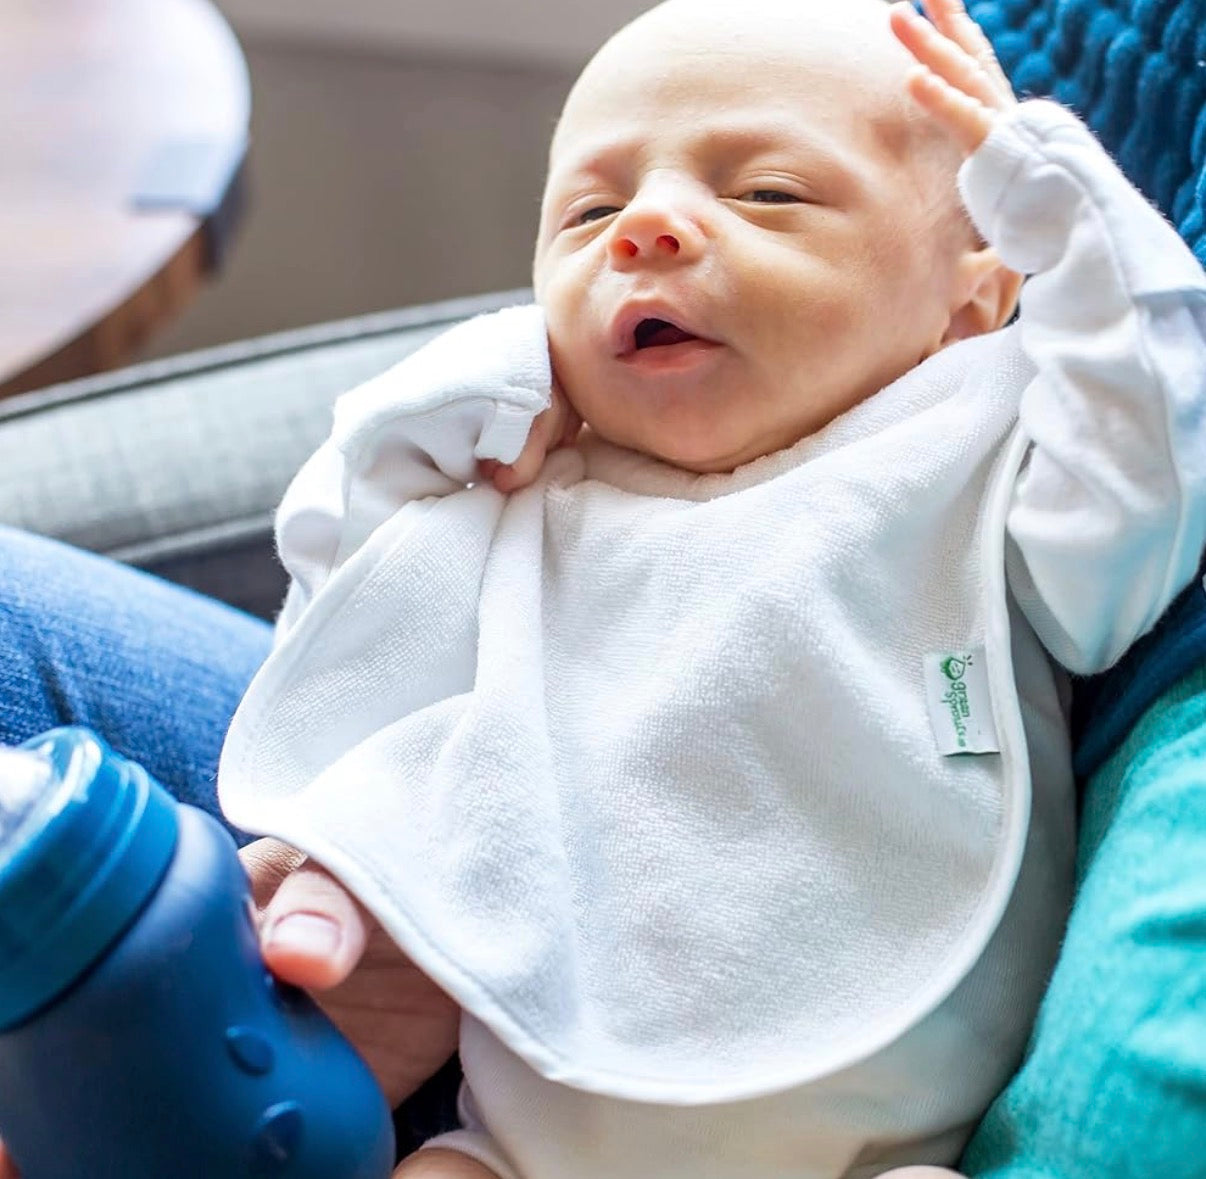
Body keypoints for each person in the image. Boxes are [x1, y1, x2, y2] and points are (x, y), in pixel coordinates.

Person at [1, 3, 1203, 1179]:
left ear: (976, 293)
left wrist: (1062, 203)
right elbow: (340, 618)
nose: (647, 227)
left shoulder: (977, 448)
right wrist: (419, 433)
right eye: (590, 209)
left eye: (768, 192)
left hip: (886, 1139)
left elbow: (1149, 466)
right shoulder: (538, 475)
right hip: (519, 1131)